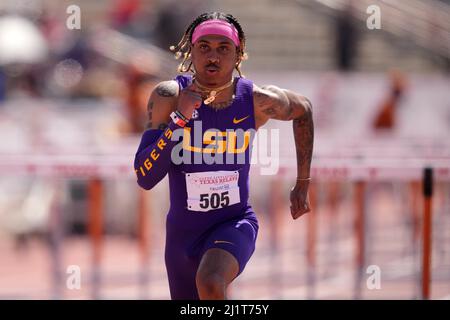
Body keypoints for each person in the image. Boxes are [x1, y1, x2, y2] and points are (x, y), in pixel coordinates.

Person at [134, 12, 314, 300]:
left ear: (238, 54)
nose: (213, 56)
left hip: (234, 223)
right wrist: (179, 118)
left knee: (211, 281)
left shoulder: (256, 100)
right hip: (182, 235)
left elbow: (303, 109)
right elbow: (145, 176)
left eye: (223, 48)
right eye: (204, 47)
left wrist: (303, 180)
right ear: (191, 52)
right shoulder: (168, 96)